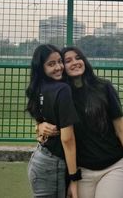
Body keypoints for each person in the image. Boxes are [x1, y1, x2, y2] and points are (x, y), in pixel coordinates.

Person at [37, 46, 123, 198]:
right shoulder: (61, 94)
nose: (75, 62)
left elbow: (122, 130)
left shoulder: (104, 87)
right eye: (68, 61)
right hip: (81, 172)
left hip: (113, 166)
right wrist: (39, 125)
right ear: (62, 67)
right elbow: (43, 115)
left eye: (78, 58)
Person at [25, 44, 81, 198]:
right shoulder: (62, 89)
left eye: (59, 61)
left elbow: (42, 118)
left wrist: (39, 126)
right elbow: (67, 139)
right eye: (51, 64)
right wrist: (74, 178)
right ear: (41, 68)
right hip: (52, 165)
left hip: (40, 159)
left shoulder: (39, 87)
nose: (59, 67)